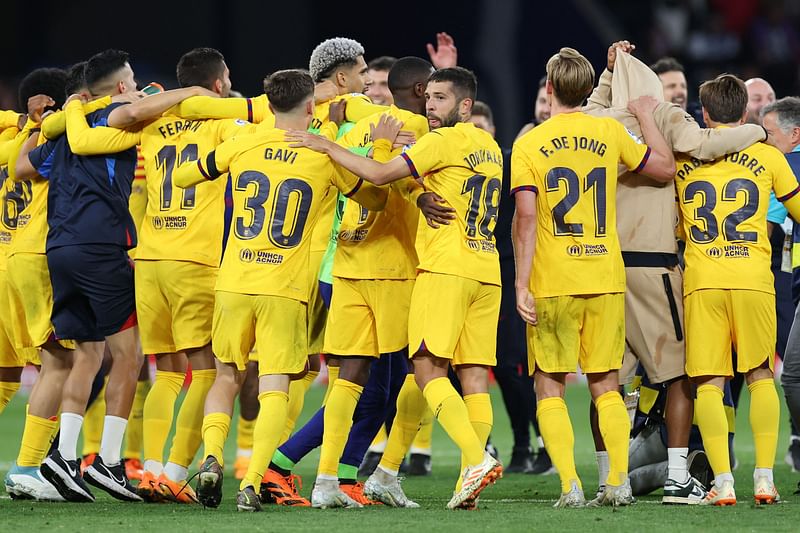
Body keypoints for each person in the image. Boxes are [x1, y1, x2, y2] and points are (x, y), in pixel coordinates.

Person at [290, 66, 505, 511]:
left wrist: (329, 144)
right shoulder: (489, 145)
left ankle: (474, 459)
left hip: (436, 268)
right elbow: (419, 179)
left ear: (464, 105)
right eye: (429, 97)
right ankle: (372, 475)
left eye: (441, 98)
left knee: (422, 369)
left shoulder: (430, 138)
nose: (431, 105)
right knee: (467, 377)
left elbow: (379, 177)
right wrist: (418, 191)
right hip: (485, 270)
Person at [174, 68, 388, 512]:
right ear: (311, 106)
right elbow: (376, 199)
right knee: (275, 386)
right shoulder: (323, 157)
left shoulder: (244, 142)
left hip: (234, 282)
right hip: (285, 289)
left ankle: (212, 457)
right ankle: (251, 481)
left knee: (226, 376)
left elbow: (183, 179)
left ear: (268, 105)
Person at [16, 49, 213, 503]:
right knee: (129, 354)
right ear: (121, 86)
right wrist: (191, 91)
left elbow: (23, 167)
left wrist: (45, 124)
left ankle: (64, 458)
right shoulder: (118, 118)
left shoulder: (71, 128)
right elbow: (142, 108)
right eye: (131, 79)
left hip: (60, 248)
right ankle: (106, 461)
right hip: (100, 247)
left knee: (87, 354)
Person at [583, 42, 766, 504]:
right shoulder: (661, 116)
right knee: (682, 374)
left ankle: (612, 479)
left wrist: (609, 72)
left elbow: (592, 105)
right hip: (653, 263)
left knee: (608, 380)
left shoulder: (597, 122)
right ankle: (678, 477)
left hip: (601, 264)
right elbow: (702, 143)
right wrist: (756, 132)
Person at [262, 56, 436, 509]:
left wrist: (344, 114)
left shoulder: (346, 128)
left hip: (338, 265)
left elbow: (351, 121)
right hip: (381, 268)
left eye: (375, 85)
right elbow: (380, 185)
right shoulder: (413, 128)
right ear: (420, 91)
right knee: (388, 383)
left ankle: (337, 477)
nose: (369, 91)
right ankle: (283, 466)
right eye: (364, 81)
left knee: (367, 387)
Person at [511, 47, 675, 508]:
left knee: (550, 385)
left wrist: (522, 284)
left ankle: (570, 485)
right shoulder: (608, 131)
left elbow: (526, 218)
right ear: (587, 90)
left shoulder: (528, 144)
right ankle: (617, 482)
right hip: (605, 274)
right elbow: (663, 168)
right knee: (607, 384)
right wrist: (648, 121)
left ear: (549, 89)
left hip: (552, 279)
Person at [676, 74, 800, 506]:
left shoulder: (684, 159)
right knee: (761, 375)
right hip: (754, 280)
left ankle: (724, 482)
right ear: (746, 112)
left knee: (709, 383)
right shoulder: (767, 156)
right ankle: (764, 479)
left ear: (705, 113)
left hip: (703, 282)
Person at [470, 101, 552, 475]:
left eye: (483, 126)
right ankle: (497, 443)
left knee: (511, 364)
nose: (478, 133)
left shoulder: (508, 162)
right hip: (469, 272)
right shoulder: (456, 168)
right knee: (467, 366)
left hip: (507, 272)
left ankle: (534, 441)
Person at [762, 97, 800, 479]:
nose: (765, 141)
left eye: (770, 134)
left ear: (794, 134)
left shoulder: (785, 165)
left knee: (791, 376)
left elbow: (766, 227)